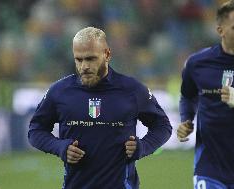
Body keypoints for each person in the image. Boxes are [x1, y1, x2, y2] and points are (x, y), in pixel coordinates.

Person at [28, 26, 172, 188]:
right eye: (79, 59)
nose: (84, 67)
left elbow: (162, 126)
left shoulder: (132, 90)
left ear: (107, 54)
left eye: (90, 59)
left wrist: (143, 147)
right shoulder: (60, 91)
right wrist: (60, 147)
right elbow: (35, 130)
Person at [177, 0, 234, 188]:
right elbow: (187, 96)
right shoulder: (197, 64)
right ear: (221, 30)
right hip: (210, 168)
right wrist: (186, 119)